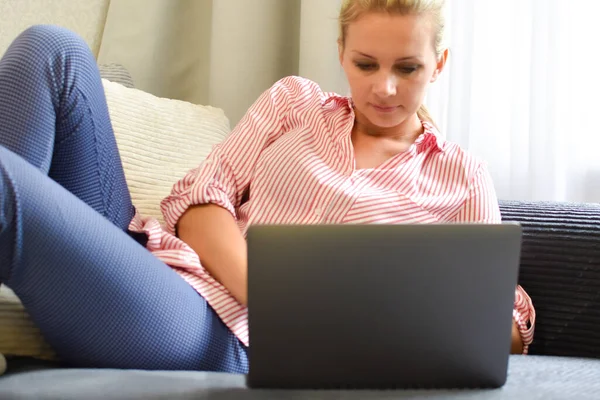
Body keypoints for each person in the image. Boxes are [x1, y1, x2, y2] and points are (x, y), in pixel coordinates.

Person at [0, 0, 534, 374]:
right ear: (342, 51)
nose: (384, 88)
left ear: (439, 65)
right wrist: (268, 292)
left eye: (408, 68)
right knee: (53, 50)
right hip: (153, 257)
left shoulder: (461, 176)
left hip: (222, 333)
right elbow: (198, 200)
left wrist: (406, 305)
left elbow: (505, 324)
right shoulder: (294, 104)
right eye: (365, 64)